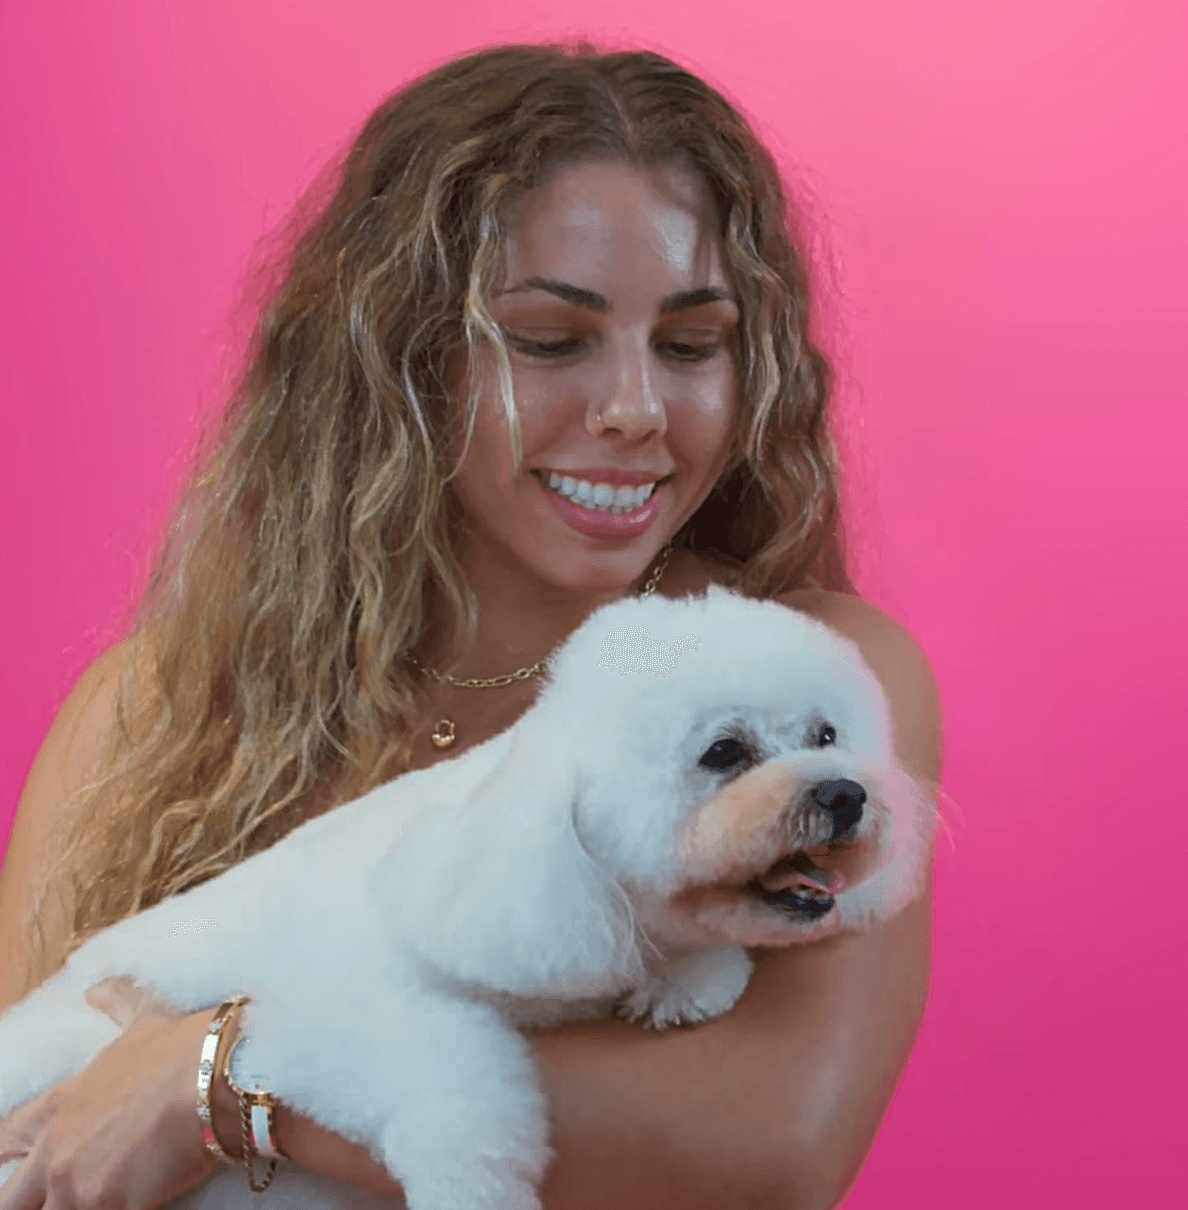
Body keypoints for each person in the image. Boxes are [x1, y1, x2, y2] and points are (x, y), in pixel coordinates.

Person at [0, 42, 942, 1210]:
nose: (636, 410)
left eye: (693, 346)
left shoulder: (808, 679)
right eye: (550, 339)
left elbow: (775, 1138)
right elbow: (45, 1134)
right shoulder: (151, 709)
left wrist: (216, 1081)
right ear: (398, 358)